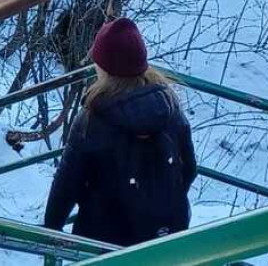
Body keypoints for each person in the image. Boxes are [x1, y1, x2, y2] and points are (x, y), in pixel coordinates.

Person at [44, 18, 197, 247]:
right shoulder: (169, 106)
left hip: (104, 242)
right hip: (165, 235)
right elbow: (189, 169)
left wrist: (50, 229)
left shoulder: (91, 119)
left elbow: (67, 186)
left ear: (103, 67)